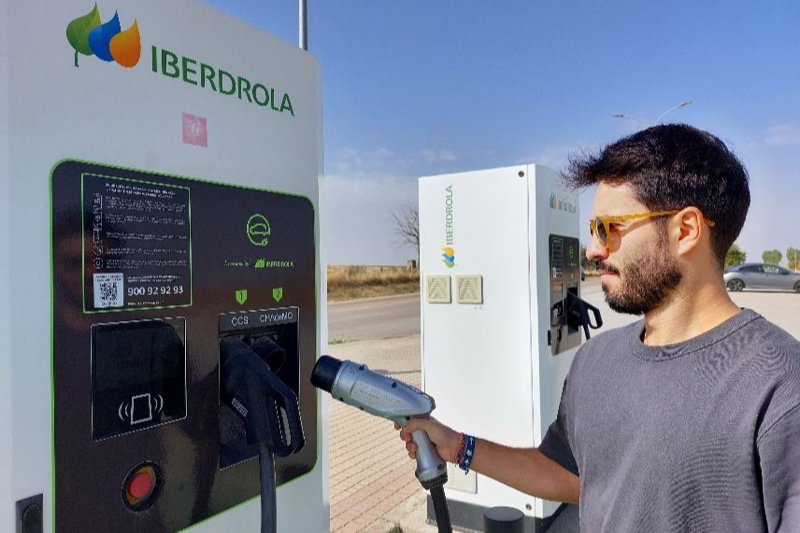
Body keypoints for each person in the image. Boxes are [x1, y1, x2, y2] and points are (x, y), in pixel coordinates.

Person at [397, 124, 800, 532]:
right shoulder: (596, 359)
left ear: (686, 230)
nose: (593, 249)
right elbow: (569, 476)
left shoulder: (779, 383)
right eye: (592, 231)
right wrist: (459, 447)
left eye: (609, 228)